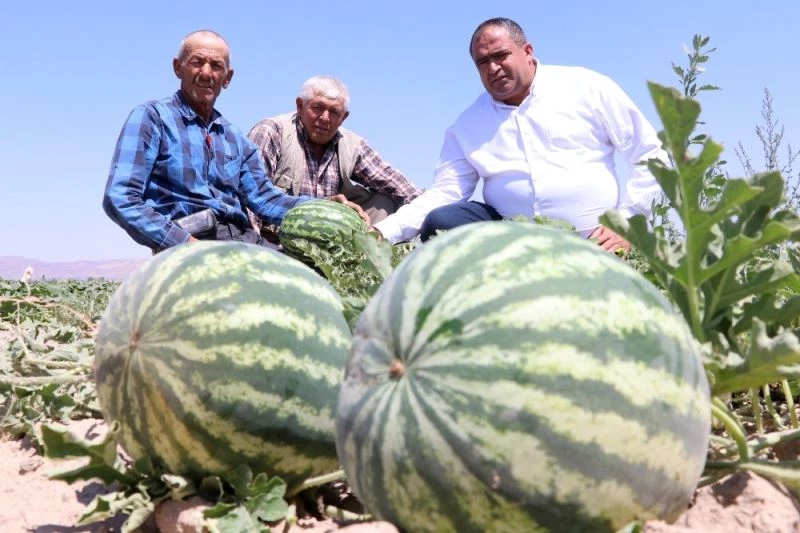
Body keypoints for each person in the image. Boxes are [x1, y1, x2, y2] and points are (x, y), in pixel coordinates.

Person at [373, 17, 667, 253]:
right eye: (482, 62)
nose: (493, 68)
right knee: (443, 221)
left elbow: (650, 154)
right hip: (511, 245)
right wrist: (381, 233)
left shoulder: (587, 88)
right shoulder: (467, 126)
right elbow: (445, 193)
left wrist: (628, 222)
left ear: (527, 51)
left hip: (595, 241)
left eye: (501, 55)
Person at [103, 30, 366, 253]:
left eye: (216, 66)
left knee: (314, 283)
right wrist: (184, 244)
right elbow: (121, 197)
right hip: (186, 242)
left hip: (241, 241)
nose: (206, 73)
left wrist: (323, 207)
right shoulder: (152, 118)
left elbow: (266, 200)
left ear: (227, 78)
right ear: (178, 67)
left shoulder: (234, 139)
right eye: (197, 62)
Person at [247, 76, 422, 226]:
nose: (324, 118)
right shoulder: (273, 131)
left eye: (334, 112)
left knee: (387, 200)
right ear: (300, 106)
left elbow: (395, 182)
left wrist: (433, 213)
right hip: (276, 239)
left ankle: (368, 259)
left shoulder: (352, 145)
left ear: (344, 117)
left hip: (329, 243)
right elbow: (251, 195)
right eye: (317, 108)